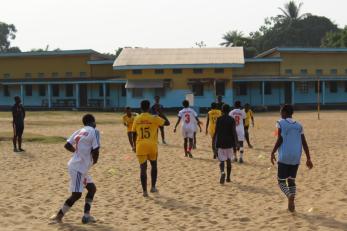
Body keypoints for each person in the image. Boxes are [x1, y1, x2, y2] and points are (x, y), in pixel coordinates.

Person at [50, 114, 100, 224]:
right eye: (94, 122)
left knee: (92, 189)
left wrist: (77, 153)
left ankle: (86, 216)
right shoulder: (94, 131)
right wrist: (95, 160)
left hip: (79, 166)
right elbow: (96, 150)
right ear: (92, 122)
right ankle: (59, 216)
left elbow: (67, 145)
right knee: (77, 194)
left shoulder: (79, 130)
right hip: (78, 168)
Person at [270, 104, 313, 212]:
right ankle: (292, 199)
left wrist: (273, 152)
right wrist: (308, 158)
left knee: (281, 182)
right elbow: (304, 143)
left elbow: (279, 139)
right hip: (296, 157)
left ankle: (289, 196)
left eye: (280, 111)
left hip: (284, 156)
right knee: (291, 180)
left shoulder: (280, 122)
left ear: (284, 112)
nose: (280, 113)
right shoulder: (299, 125)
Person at [132, 100, 170, 197]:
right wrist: (160, 113)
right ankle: (153, 187)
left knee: (143, 168)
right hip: (152, 145)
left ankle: (144, 191)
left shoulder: (137, 118)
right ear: (149, 108)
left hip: (140, 145)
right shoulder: (154, 118)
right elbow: (167, 123)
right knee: (154, 165)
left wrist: (133, 145)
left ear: (140, 108)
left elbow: (133, 133)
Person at [214, 104, 238, 184]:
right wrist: (236, 143)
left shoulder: (219, 119)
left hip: (220, 142)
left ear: (222, 110)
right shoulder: (231, 119)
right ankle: (228, 178)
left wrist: (214, 142)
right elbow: (234, 132)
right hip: (229, 143)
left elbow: (216, 132)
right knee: (228, 160)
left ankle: (222, 172)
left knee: (221, 160)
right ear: (229, 111)